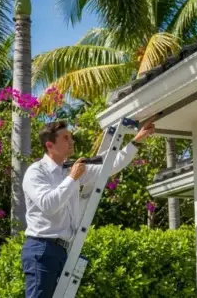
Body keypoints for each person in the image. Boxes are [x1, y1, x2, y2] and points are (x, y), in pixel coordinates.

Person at [21, 118, 155, 298]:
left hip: (62, 250)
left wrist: (136, 141)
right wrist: (72, 179)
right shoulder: (36, 172)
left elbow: (110, 166)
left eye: (70, 137)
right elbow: (49, 205)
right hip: (42, 248)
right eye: (66, 138)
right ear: (50, 145)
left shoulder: (70, 170)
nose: (71, 141)